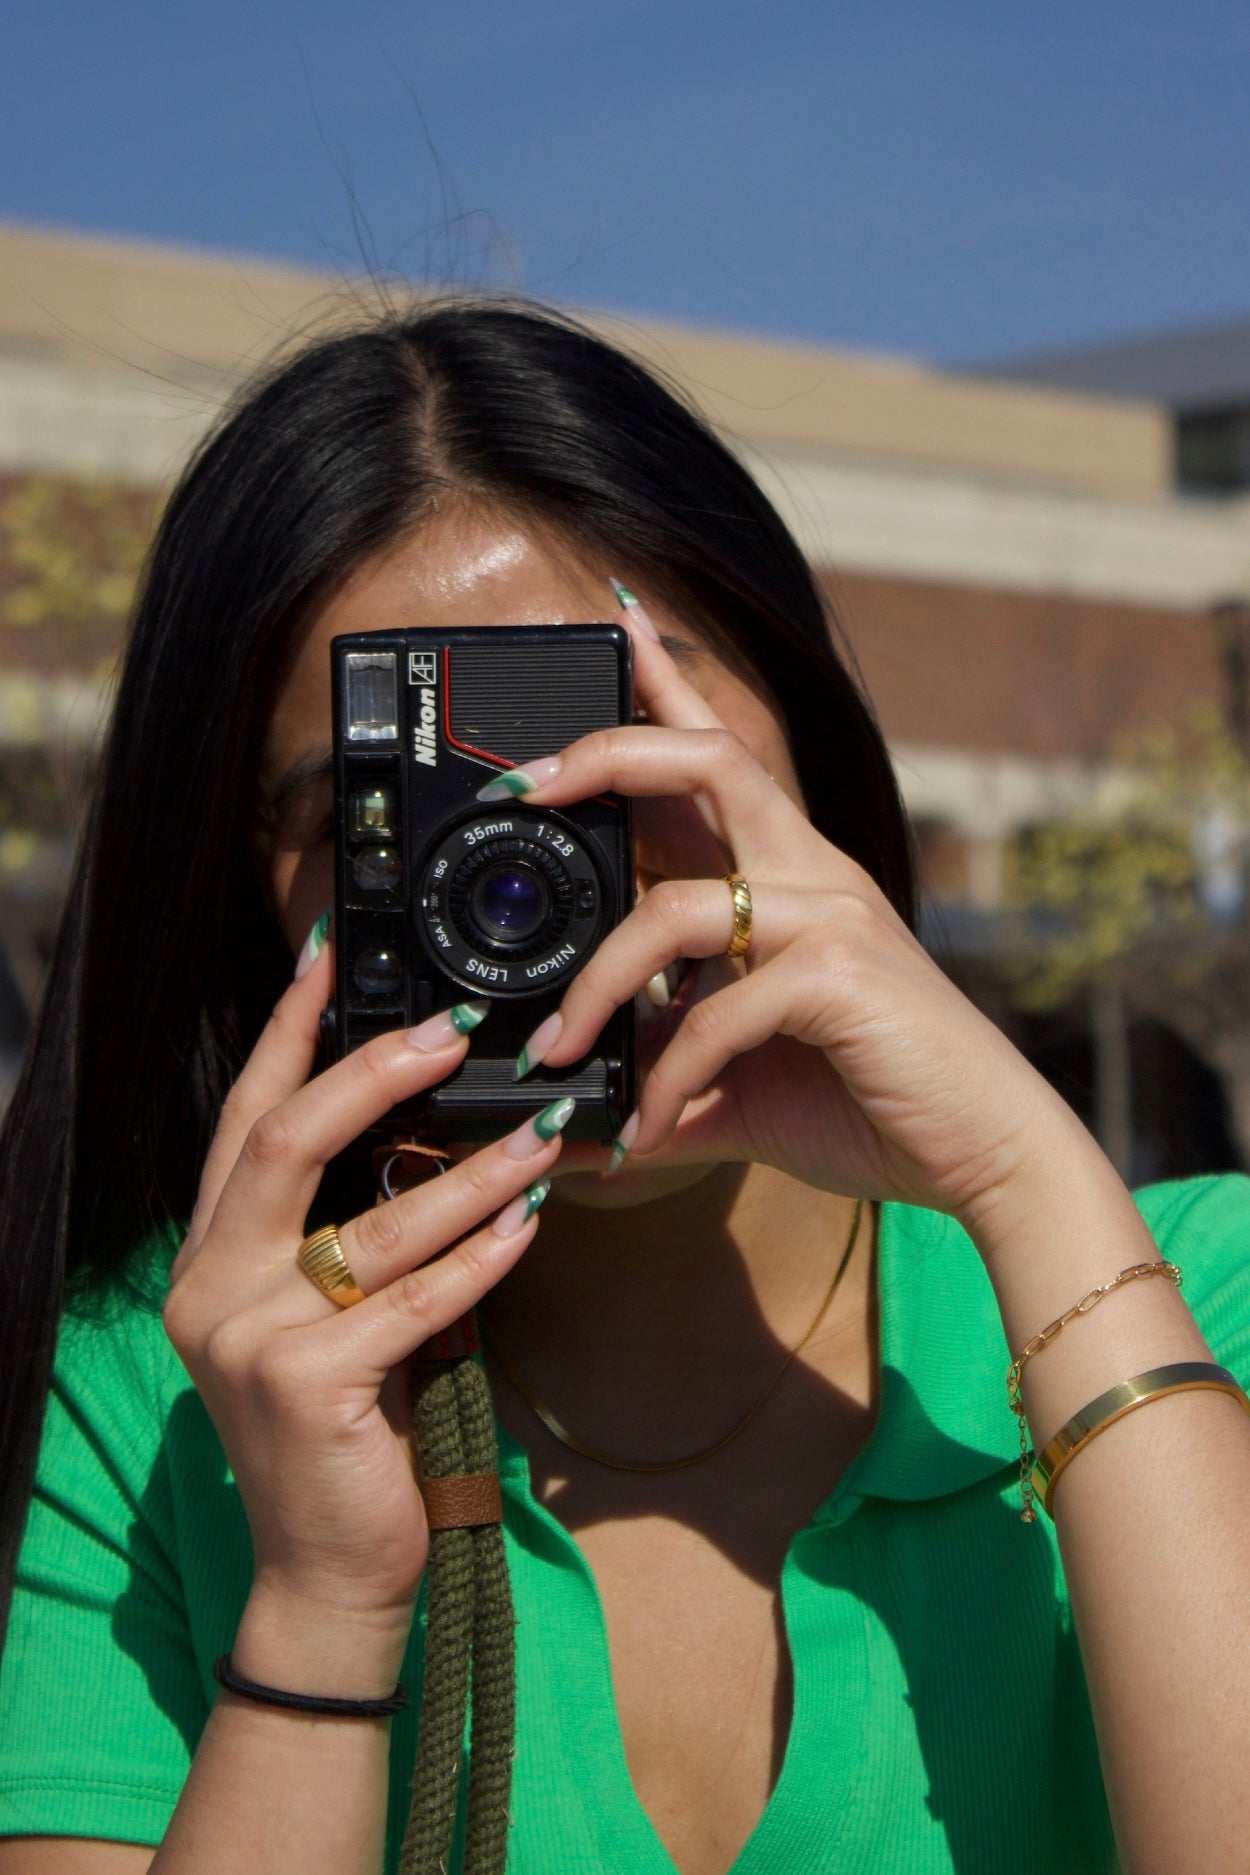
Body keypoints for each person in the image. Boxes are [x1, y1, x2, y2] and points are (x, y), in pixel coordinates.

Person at [1, 298, 1248, 1875]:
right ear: (250, 890)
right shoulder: (157, 1407)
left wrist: (1026, 1178)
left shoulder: (1194, 1295)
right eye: (400, 818)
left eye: (614, 756)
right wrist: (320, 1604)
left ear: (795, 739)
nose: (541, 880)